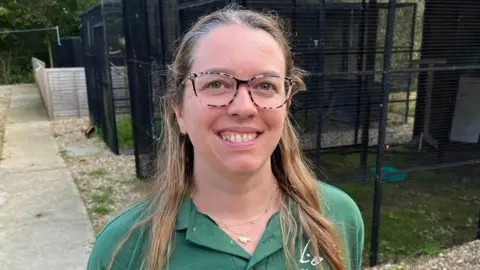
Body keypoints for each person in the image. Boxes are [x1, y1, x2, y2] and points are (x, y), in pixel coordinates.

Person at [87, 4, 364, 270]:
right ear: (179, 110)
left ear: (286, 103)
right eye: (216, 84)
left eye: (265, 85)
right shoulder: (123, 250)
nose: (243, 107)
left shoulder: (337, 218)